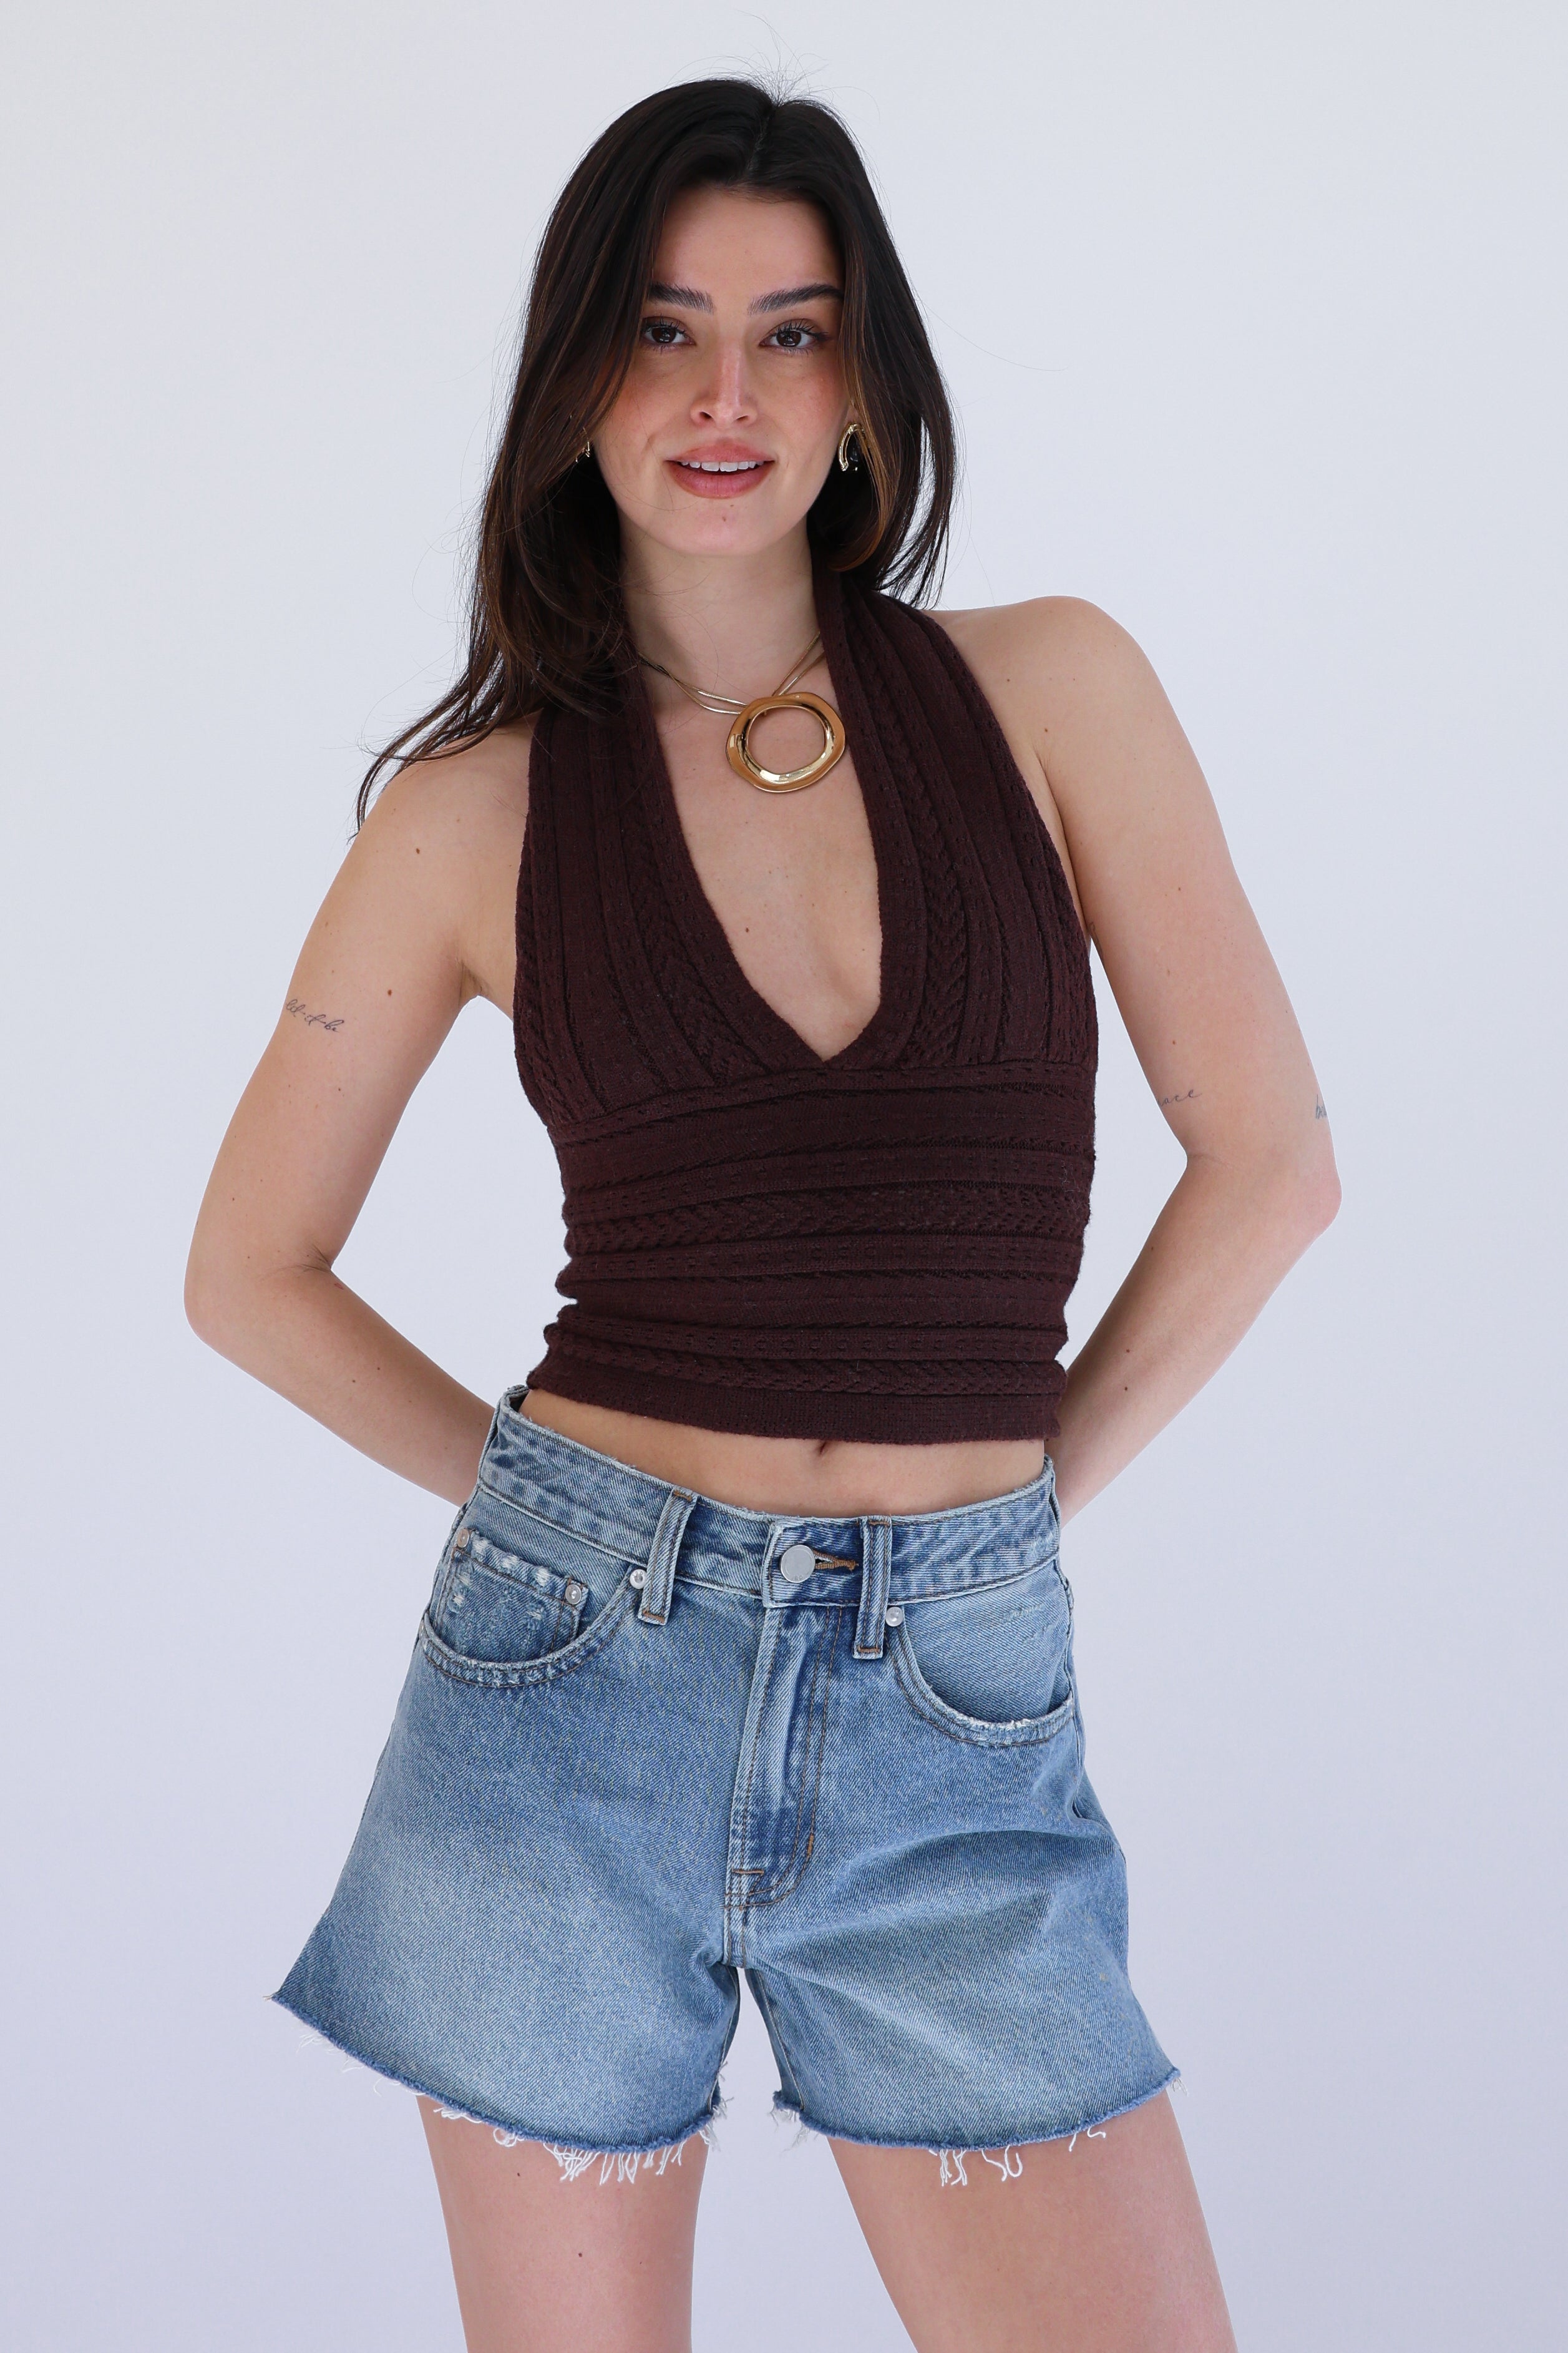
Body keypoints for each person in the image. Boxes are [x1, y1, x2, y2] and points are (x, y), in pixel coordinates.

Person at [186, 76, 1337, 2353]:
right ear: (574, 381)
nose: (729, 394)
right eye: (667, 328)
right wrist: (571, 1527)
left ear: (862, 384)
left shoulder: (1050, 689)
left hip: (956, 1712)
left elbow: (1272, 1164)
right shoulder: (466, 816)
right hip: (559, 1718)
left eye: (790, 332)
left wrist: (1007, 1523)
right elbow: (248, 1272)